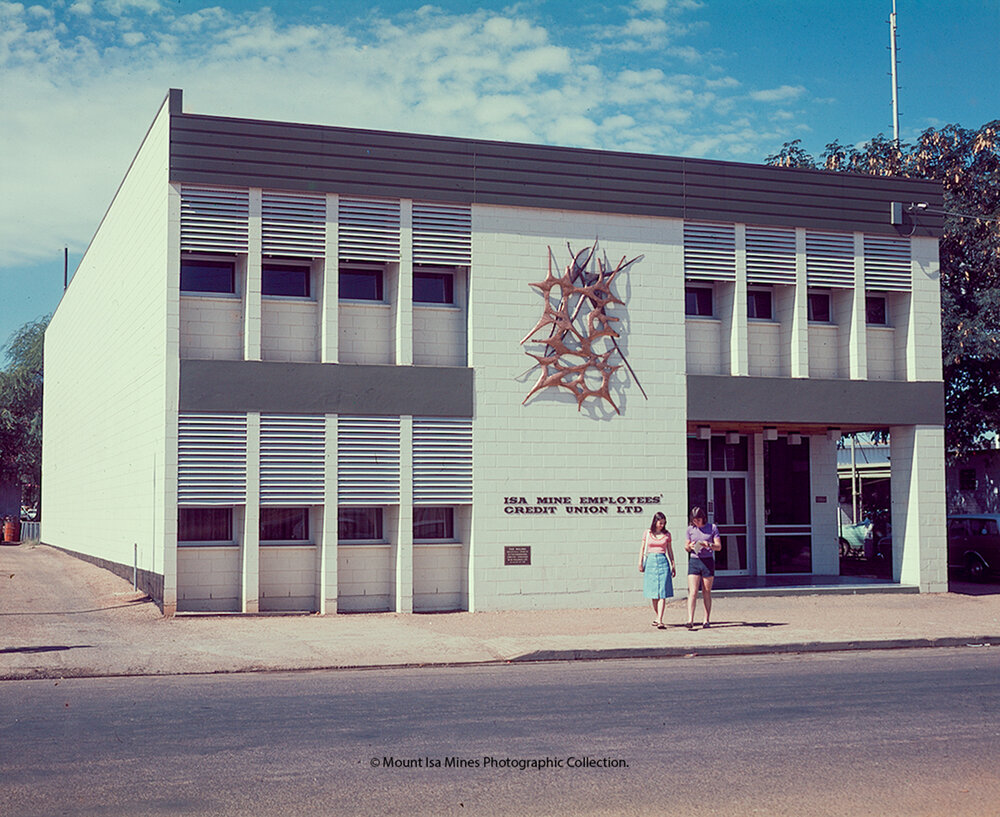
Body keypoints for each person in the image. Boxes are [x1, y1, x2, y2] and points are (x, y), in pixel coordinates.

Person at [684, 506, 721, 629]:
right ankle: (690, 620)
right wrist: (690, 546)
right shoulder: (690, 529)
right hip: (695, 560)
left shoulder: (712, 528)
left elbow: (718, 546)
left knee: (706, 591)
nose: (696, 523)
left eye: (698, 520)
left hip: (708, 561)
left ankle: (706, 619)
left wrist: (708, 544)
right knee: (693, 592)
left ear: (703, 518)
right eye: (694, 520)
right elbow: (686, 547)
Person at [639, 511, 676, 629]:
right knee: (653, 593)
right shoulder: (647, 533)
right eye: (660, 523)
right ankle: (657, 616)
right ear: (655, 522)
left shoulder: (667, 535)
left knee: (662, 592)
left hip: (663, 561)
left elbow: (670, 550)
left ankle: (660, 619)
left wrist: (673, 564)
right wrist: (640, 562)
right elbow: (642, 548)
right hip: (650, 562)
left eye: (664, 523)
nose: (662, 525)